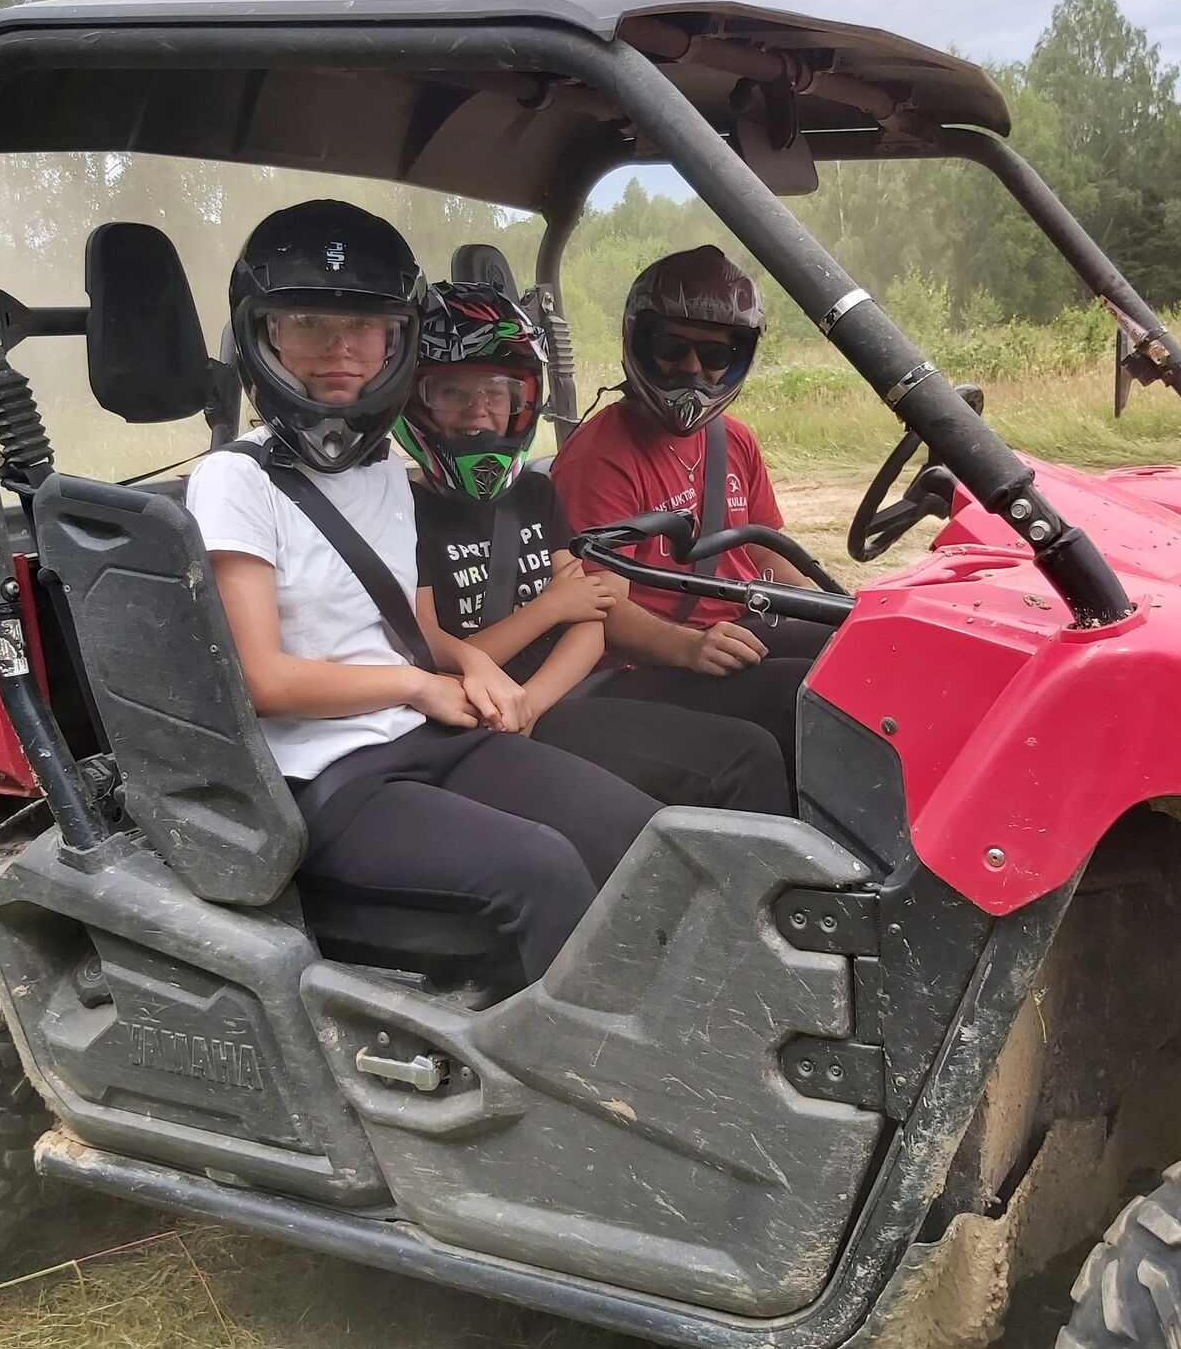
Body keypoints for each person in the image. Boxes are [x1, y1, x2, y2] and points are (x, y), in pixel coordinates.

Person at [183, 200, 657, 981]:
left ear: (396, 341)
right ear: (264, 337)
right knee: (542, 870)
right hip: (321, 777)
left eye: (365, 327)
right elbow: (264, 681)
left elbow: (408, 625)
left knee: (640, 831)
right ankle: (588, 1054)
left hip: (426, 735)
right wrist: (418, 685)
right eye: (307, 324)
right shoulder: (235, 480)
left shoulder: (379, 472)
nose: (340, 348)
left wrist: (468, 662)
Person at [395, 281, 791, 817]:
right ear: (415, 400)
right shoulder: (405, 513)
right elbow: (433, 659)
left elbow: (592, 618)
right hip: (477, 715)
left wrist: (534, 700)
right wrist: (548, 610)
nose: (479, 413)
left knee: (758, 742)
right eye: (453, 394)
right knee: (740, 761)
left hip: (556, 696)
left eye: (496, 395)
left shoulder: (535, 496)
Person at [549, 245, 832, 781]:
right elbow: (598, 607)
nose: (692, 368)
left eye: (714, 354)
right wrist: (690, 647)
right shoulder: (600, 455)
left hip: (732, 629)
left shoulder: (734, 440)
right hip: (643, 664)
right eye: (672, 348)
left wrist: (835, 608)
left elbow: (764, 551)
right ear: (639, 341)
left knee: (853, 658)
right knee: (807, 696)